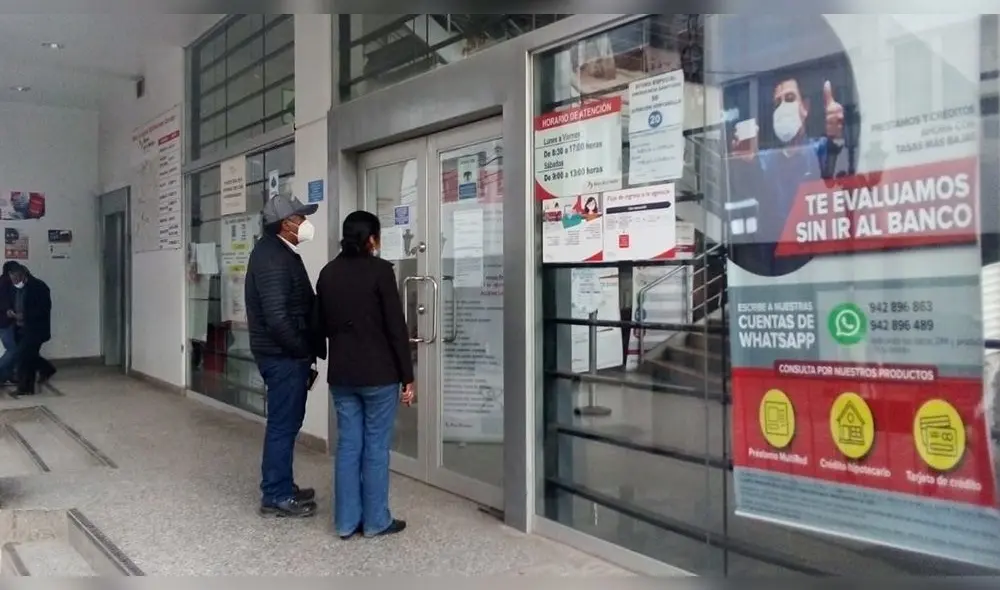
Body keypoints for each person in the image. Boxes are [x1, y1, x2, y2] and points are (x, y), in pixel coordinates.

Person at [315, 210, 415, 539]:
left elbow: (321, 326)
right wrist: (407, 376)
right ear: (372, 239)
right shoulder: (380, 272)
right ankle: (375, 522)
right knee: (375, 447)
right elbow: (395, 328)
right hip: (379, 375)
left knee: (347, 447)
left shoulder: (327, 274)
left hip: (342, 376)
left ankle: (345, 523)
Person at [245, 192, 325, 518]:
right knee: (282, 424)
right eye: (301, 217)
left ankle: (282, 483)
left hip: (284, 354)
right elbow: (277, 318)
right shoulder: (273, 258)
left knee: (287, 423)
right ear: (286, 223)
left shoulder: (278, 252)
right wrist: (302, 351)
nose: (306, 223)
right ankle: (275, 495)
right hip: (283, 356)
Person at [7, 264, 55, 395]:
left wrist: (25, 315)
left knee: (22, 355)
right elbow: (12, 302)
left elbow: (44, 309)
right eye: (12, 280)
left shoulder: (39, 287)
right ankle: (46, 370)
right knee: (29, 356)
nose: (14, 282)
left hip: (36, 329)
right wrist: (10, 311)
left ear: (23, 274)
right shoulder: (14, 288)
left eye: (16, 279)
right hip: (19, 327)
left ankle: (24, 387)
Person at [0, 262, 19, 384]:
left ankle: (6, 375)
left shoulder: (6, 282)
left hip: (8, 321)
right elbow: (4, 301)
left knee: (13, 349)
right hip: (4, 322)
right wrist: (8, 310)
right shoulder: (4, 283)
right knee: (13, 350)